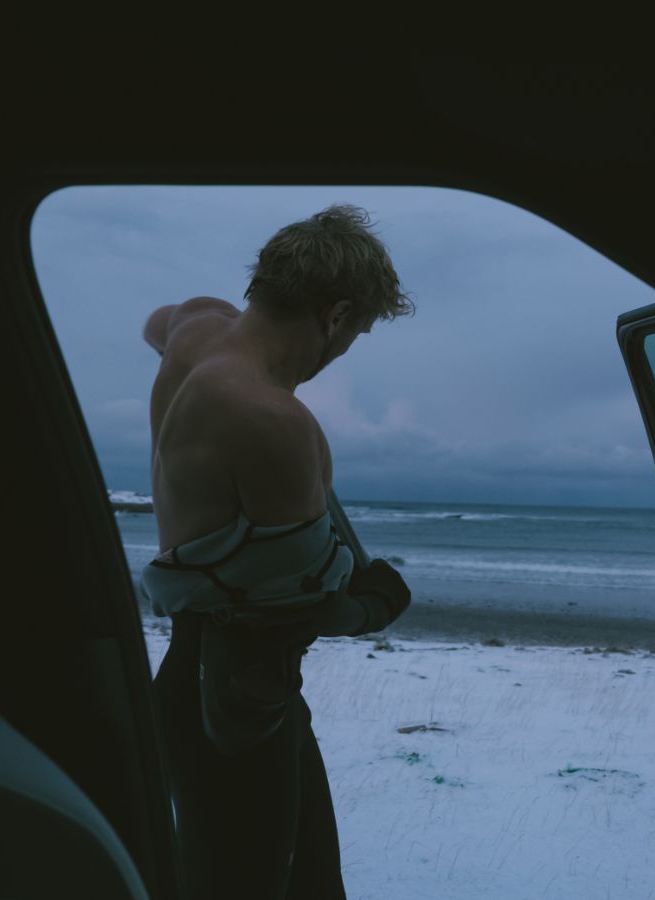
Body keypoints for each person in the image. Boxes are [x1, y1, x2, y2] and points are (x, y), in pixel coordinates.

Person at [141, 205, 414, 899]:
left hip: (210, 676)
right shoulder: (273, 421)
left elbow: (155, 322)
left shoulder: (195, 328)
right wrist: (377, 604)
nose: (346, 349)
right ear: (336, 315)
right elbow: (303, 606)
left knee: (312, 881)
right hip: (234, 703)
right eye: (355, 333)